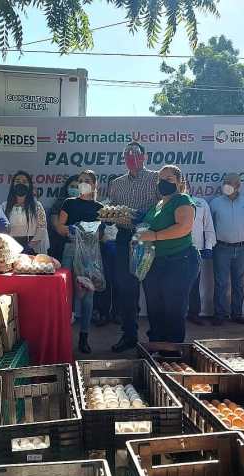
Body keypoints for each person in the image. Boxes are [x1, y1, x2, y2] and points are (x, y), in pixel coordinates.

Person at [138, 165, 199, 346]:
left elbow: (184, 227)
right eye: (161, 179)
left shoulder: (182, 200)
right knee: (155, 307)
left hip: (179, 261)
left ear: (179, 183)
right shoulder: (157, 205)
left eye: (169, 179)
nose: (164, 183)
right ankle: (156, 345)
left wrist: (155, 236)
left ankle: (172, 352)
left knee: (173, 308)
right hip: (155, 262)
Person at [108, 142, 158, 352]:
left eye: (136, 154)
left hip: (149, 238)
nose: (132, 158)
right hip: (124, 238)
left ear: (145, 157)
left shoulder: (156, 178)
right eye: (127, 155)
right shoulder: (116, 183)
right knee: (126, 290)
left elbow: (165, 207)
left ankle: (156, 338)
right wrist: (108, 216)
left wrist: (147, 216)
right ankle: (129, 335)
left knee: (153, 288)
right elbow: (111, 208)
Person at [56, 170, 103, 354]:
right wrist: (71, 230)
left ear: (94, 184)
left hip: (90, 254)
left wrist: (91, 233)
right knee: (66, 292)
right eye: (81, 180)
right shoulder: (69, 203)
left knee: (87, 295)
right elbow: (60, 227)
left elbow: (102, 235)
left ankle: (84, 337)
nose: (83, 183)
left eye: (87, 180)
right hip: (70, 249)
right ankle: (63, 335)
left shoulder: (99, 207)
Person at [209, 173, 244, 326]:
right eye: (225, 182)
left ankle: (237, 314)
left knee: (239, 284)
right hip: (221, 248)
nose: (226, 185)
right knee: (221, 283)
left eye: (229, 182)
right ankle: (219, 315)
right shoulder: (215, 203)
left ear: (238, 185)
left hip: (242, 249)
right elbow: (209, 225)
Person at [2, 171, 49, 254]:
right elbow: (1, 229)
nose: (21, 184)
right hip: (10, 247)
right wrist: (11, 245)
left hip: (32, 248)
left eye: (24, 181)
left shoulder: (37, 206)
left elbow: (42, 228)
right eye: (17, 181)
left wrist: (29, 246)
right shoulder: (4, 206)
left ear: (29, 186)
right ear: (12, 185)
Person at [187, 194, 216, 325]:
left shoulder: (201, 203)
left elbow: (208, 226)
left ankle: (193, 314)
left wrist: (208, 246)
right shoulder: (170, 202)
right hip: (175, 249)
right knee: (174, 283)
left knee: (194, 284)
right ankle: (174, 313)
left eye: (184, 185)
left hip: (196, 249)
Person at [48, 175, 79, 261]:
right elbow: (56, 225)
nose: (75, 189)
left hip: (80, 245)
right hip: (60, 243)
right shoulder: (59, 203)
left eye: (78, 187)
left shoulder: (86, 205)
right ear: (67, 187)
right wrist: (69, 232)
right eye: (72, 186)